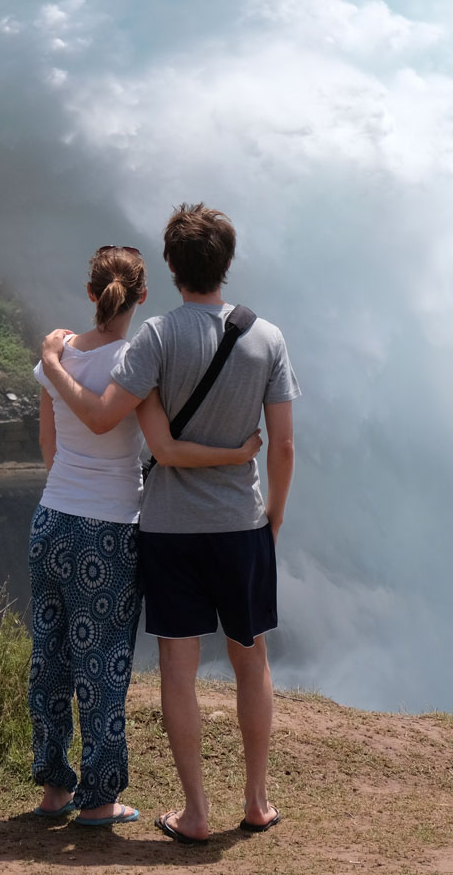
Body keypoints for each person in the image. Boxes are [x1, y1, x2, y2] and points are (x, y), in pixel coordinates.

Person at [39, 204, 298, 844]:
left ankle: (196, 813)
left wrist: (52, 363)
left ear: (172, 268)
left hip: (168, 529)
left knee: (178, 669)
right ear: (226, 264)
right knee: (250, 660)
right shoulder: (268, 338)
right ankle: (258, 801)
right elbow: (284, 446)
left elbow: (112, 417)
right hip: (241, 523)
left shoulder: (153, 338)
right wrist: (274, 518)